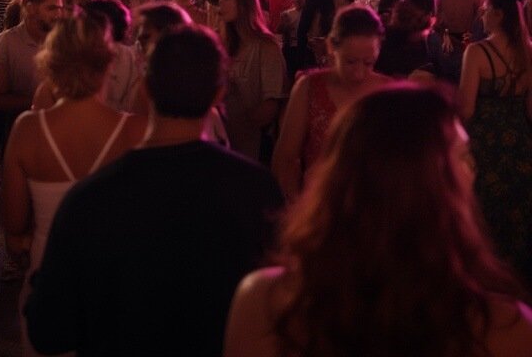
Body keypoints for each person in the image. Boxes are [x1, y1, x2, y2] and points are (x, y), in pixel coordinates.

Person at [25, 26, 283, 356]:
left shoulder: (91, 198)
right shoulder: (256, 190)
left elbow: (49, 332)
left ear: (145, 88)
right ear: (219, 95)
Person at [225, 84, 532, 357]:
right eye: (464, 156)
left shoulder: (262, 304)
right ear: (436, 183)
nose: (474, 168)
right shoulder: (503, 329)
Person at [3, 13, 147, 355]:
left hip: (49, 276)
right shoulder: (135, 132)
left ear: (51, 64)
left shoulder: (29, 130)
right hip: (116, 281)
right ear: (106, 65)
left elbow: (13, 227)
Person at [272, 5, 390, 200]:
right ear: (332, 47)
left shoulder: (388, 93)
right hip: (319, 205)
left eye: (368, 62)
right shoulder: (310, 88)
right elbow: (286, 158)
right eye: (350, 62)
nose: (359, 73)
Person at [458, 0, 532, 285]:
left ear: (498, 15)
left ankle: (487, 280)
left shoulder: (477, 52)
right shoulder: (527, 51)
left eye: (486, 9)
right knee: (518, 214)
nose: (481, 14)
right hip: (520, 143)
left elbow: (465, 108)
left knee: (484, 214)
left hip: (485, 143)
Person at [217, 0, 287, 163]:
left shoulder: (265, 47)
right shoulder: (221, 44)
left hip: (250, 145)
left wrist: (245, 122)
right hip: (222, 142)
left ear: (243, 4)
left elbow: (272, 103)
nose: (220, 3)